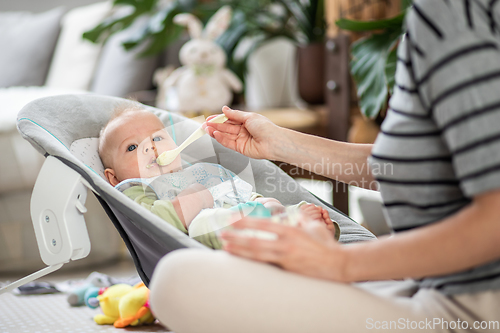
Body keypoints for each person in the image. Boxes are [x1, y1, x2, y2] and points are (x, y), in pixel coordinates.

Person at [148, 1, 500, 332]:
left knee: (175, 281)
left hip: (471, 304)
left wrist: (339, 264)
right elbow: (423, 170)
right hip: (435, 280)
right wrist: (280, 144)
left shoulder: (455, 16)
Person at [98, 105, 339, 249]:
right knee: (200, 225)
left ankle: (297, 226)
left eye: (158, 138)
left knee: (272, 203)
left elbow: (239, 194)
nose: (149, 148)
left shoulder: (200, 172)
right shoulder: (135, 188)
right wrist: (192, 201)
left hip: (248, 215)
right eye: (132, 148)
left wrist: (266, 204)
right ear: (114, 177)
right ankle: (284, 228)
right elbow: (148, 222)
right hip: (207, 239)